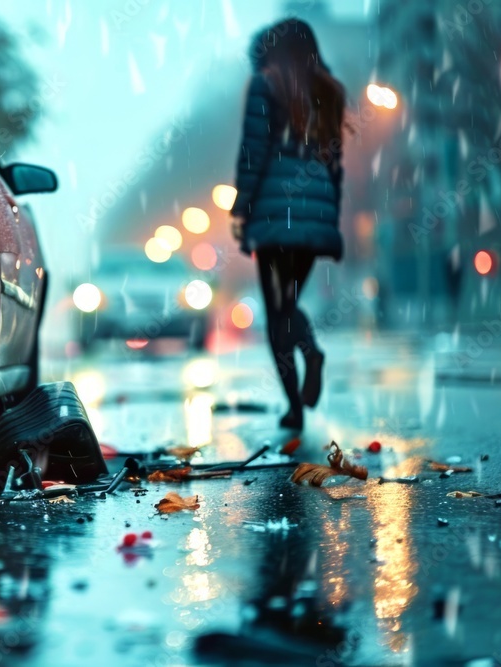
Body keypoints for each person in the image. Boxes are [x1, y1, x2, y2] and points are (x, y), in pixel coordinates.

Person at [230, 19, 346, 431]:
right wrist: (329, 217)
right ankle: (311, 357)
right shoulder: (328, 92)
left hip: (276, 218)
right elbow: (336, 166)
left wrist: (241, 208)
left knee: (278, 313)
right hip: (314, 219)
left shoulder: (267, 85)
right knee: (288, 302)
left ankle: (295, 405)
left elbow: (254, 152)